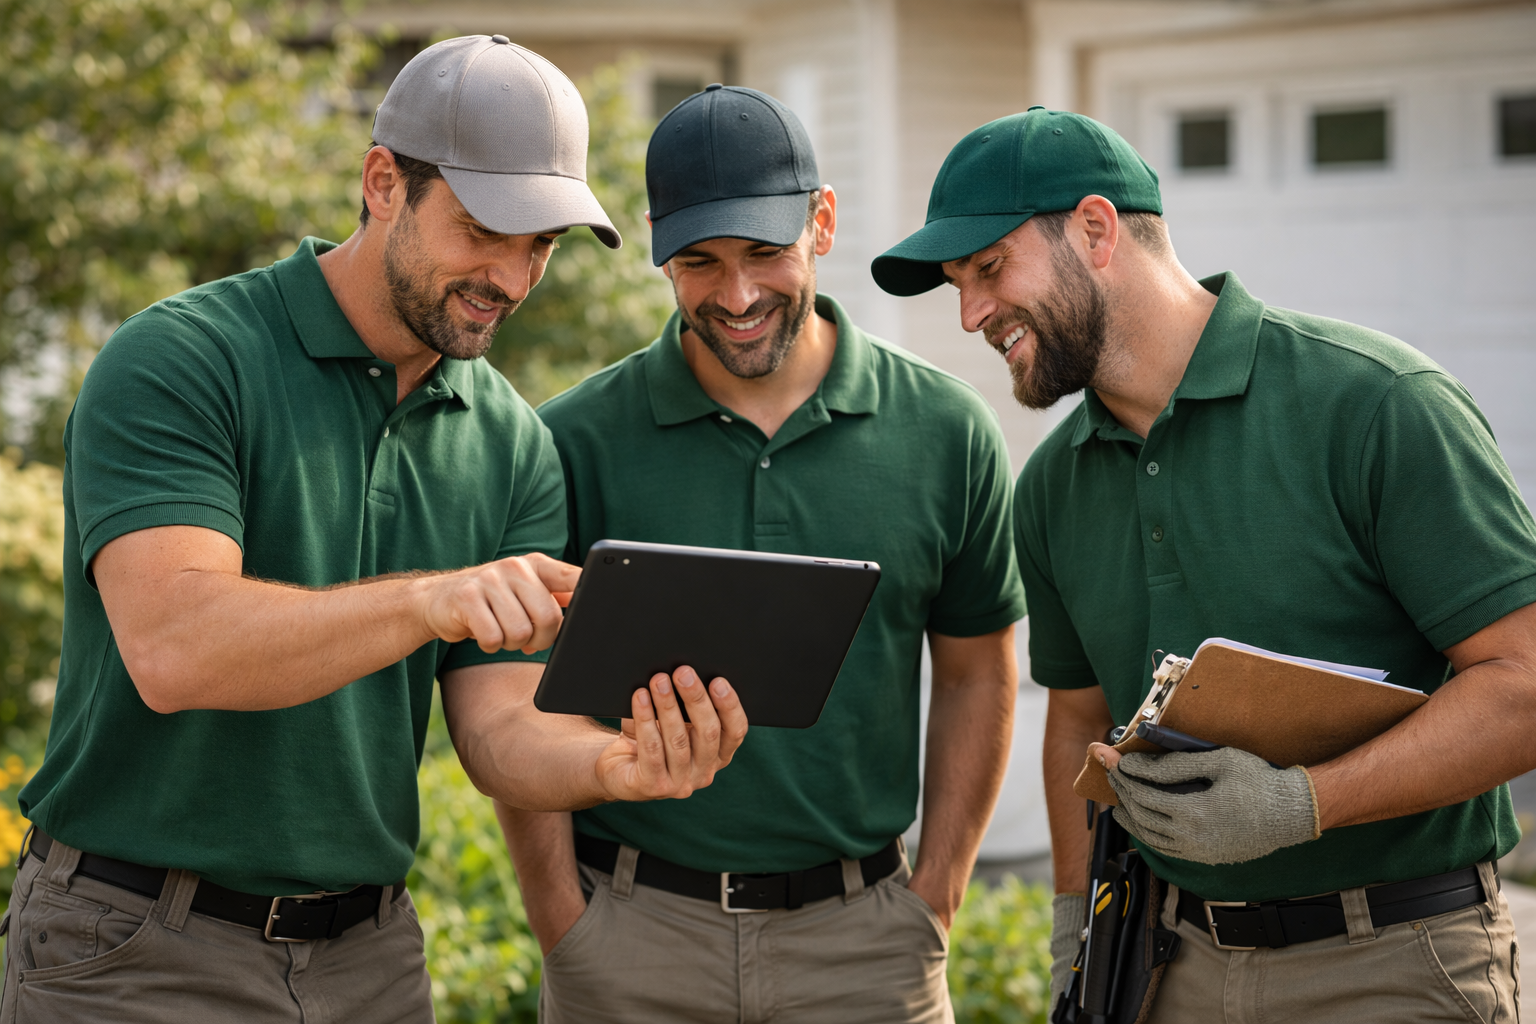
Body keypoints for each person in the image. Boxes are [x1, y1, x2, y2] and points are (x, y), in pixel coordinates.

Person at [2, 36, 747, 1024]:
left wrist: (612, 766)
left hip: (372, 962)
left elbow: (496, 726)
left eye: (542, 244)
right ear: (384, 182)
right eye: (484, 228)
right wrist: (430, 599)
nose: (511, 275)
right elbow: (175, 648)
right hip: (136, 948)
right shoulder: (184, 359)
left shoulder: (513, 443)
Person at [872, 106, 1536, 1023]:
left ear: (1095, 230)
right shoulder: (1052, 487)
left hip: (1393, 961)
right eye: (957, 285)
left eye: (989, 268)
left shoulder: (1378, 405)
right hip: (1165, 970)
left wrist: (1301, 804)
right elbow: (1078, 722)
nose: (971, 313)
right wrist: (1077, 936)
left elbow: (1523, 683)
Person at [498, 84, 1027, 1024]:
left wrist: (935, 899)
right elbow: (520, 696)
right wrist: (561, 920)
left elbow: (977, 672)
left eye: (764, 253)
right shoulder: (569, 439)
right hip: (630, 941)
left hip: (866, 952)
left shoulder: (948, 431)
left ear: (822, 222)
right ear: (658, 246)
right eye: (699, 262)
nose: (737, 296)